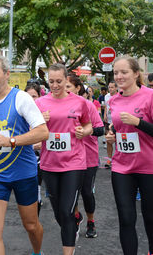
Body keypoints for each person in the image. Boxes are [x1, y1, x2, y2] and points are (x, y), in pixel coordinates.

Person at [0, 54, 49, 255]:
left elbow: (43, 132)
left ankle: (37, 252)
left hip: (23, 174)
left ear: (6, 74)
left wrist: (12, 141)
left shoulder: (20, 98)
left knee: (31, 225)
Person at [35, 63, 92, 255]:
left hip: (74, 163)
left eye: (59, 81)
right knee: (60, 213)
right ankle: (73, 224)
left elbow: (89, 125)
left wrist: (83, 132)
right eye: (51, 82)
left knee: (67, 210)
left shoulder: (79, 102)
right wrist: (40, 120)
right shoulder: (40, 103)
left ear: (66, 79)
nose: (55, 85)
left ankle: (67, 251)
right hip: (50, 164)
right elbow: (32, 131)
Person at [106, 56, 153, 255]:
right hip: (121, 166)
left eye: (124, 72)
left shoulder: (150, 96)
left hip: (148, 166)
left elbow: (139, 126)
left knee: (150, 218)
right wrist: (112, 135)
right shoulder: (114, 100)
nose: (119, 76)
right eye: (116, 73)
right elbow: (119, 128)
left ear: (136, 73)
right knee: (126, 218)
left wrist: (138, 122)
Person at [66, 74, 104, 239]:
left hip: (88, 156)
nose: (65, 90)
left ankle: (91, 221)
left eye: (68, 86)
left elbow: (101, 129)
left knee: (87, 192)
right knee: (70, 192)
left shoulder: (87, 105)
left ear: (77, 88)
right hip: (68, 157)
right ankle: (75, 217)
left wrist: (86, 131)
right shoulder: (57, 105)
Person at [24, 83, 43, 215]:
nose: (31, 100)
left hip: (42, 158)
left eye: (34, 96)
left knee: (36, 188)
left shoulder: (45, 114)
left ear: (40, 97)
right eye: (28, 96)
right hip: (24, 157)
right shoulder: (20, 113)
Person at [103, 81, 118, 168]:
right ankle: (109, 159)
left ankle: (117, 159)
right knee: (108, 141)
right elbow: (106, 106)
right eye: (109, 87)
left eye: (112, 87)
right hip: (108, 121)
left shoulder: (119, 96)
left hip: (116, 122)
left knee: (117, 141)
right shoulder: (106, 96)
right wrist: (104, 115)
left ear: (116, 88)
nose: (110, 89)